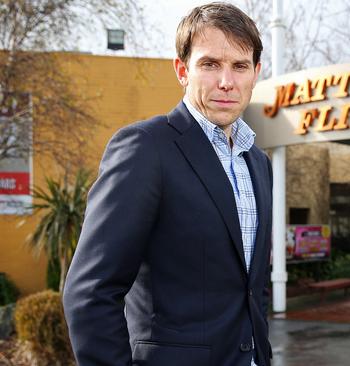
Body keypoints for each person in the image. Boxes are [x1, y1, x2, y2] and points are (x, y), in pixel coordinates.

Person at [62, 3, 272, 365]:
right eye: (210, 64)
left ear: (255, 72)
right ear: (182, 70)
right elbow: (90, 292)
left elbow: (251, 288)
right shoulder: (146, 148)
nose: (226, 81)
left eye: (239, 66)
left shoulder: (258, 162)